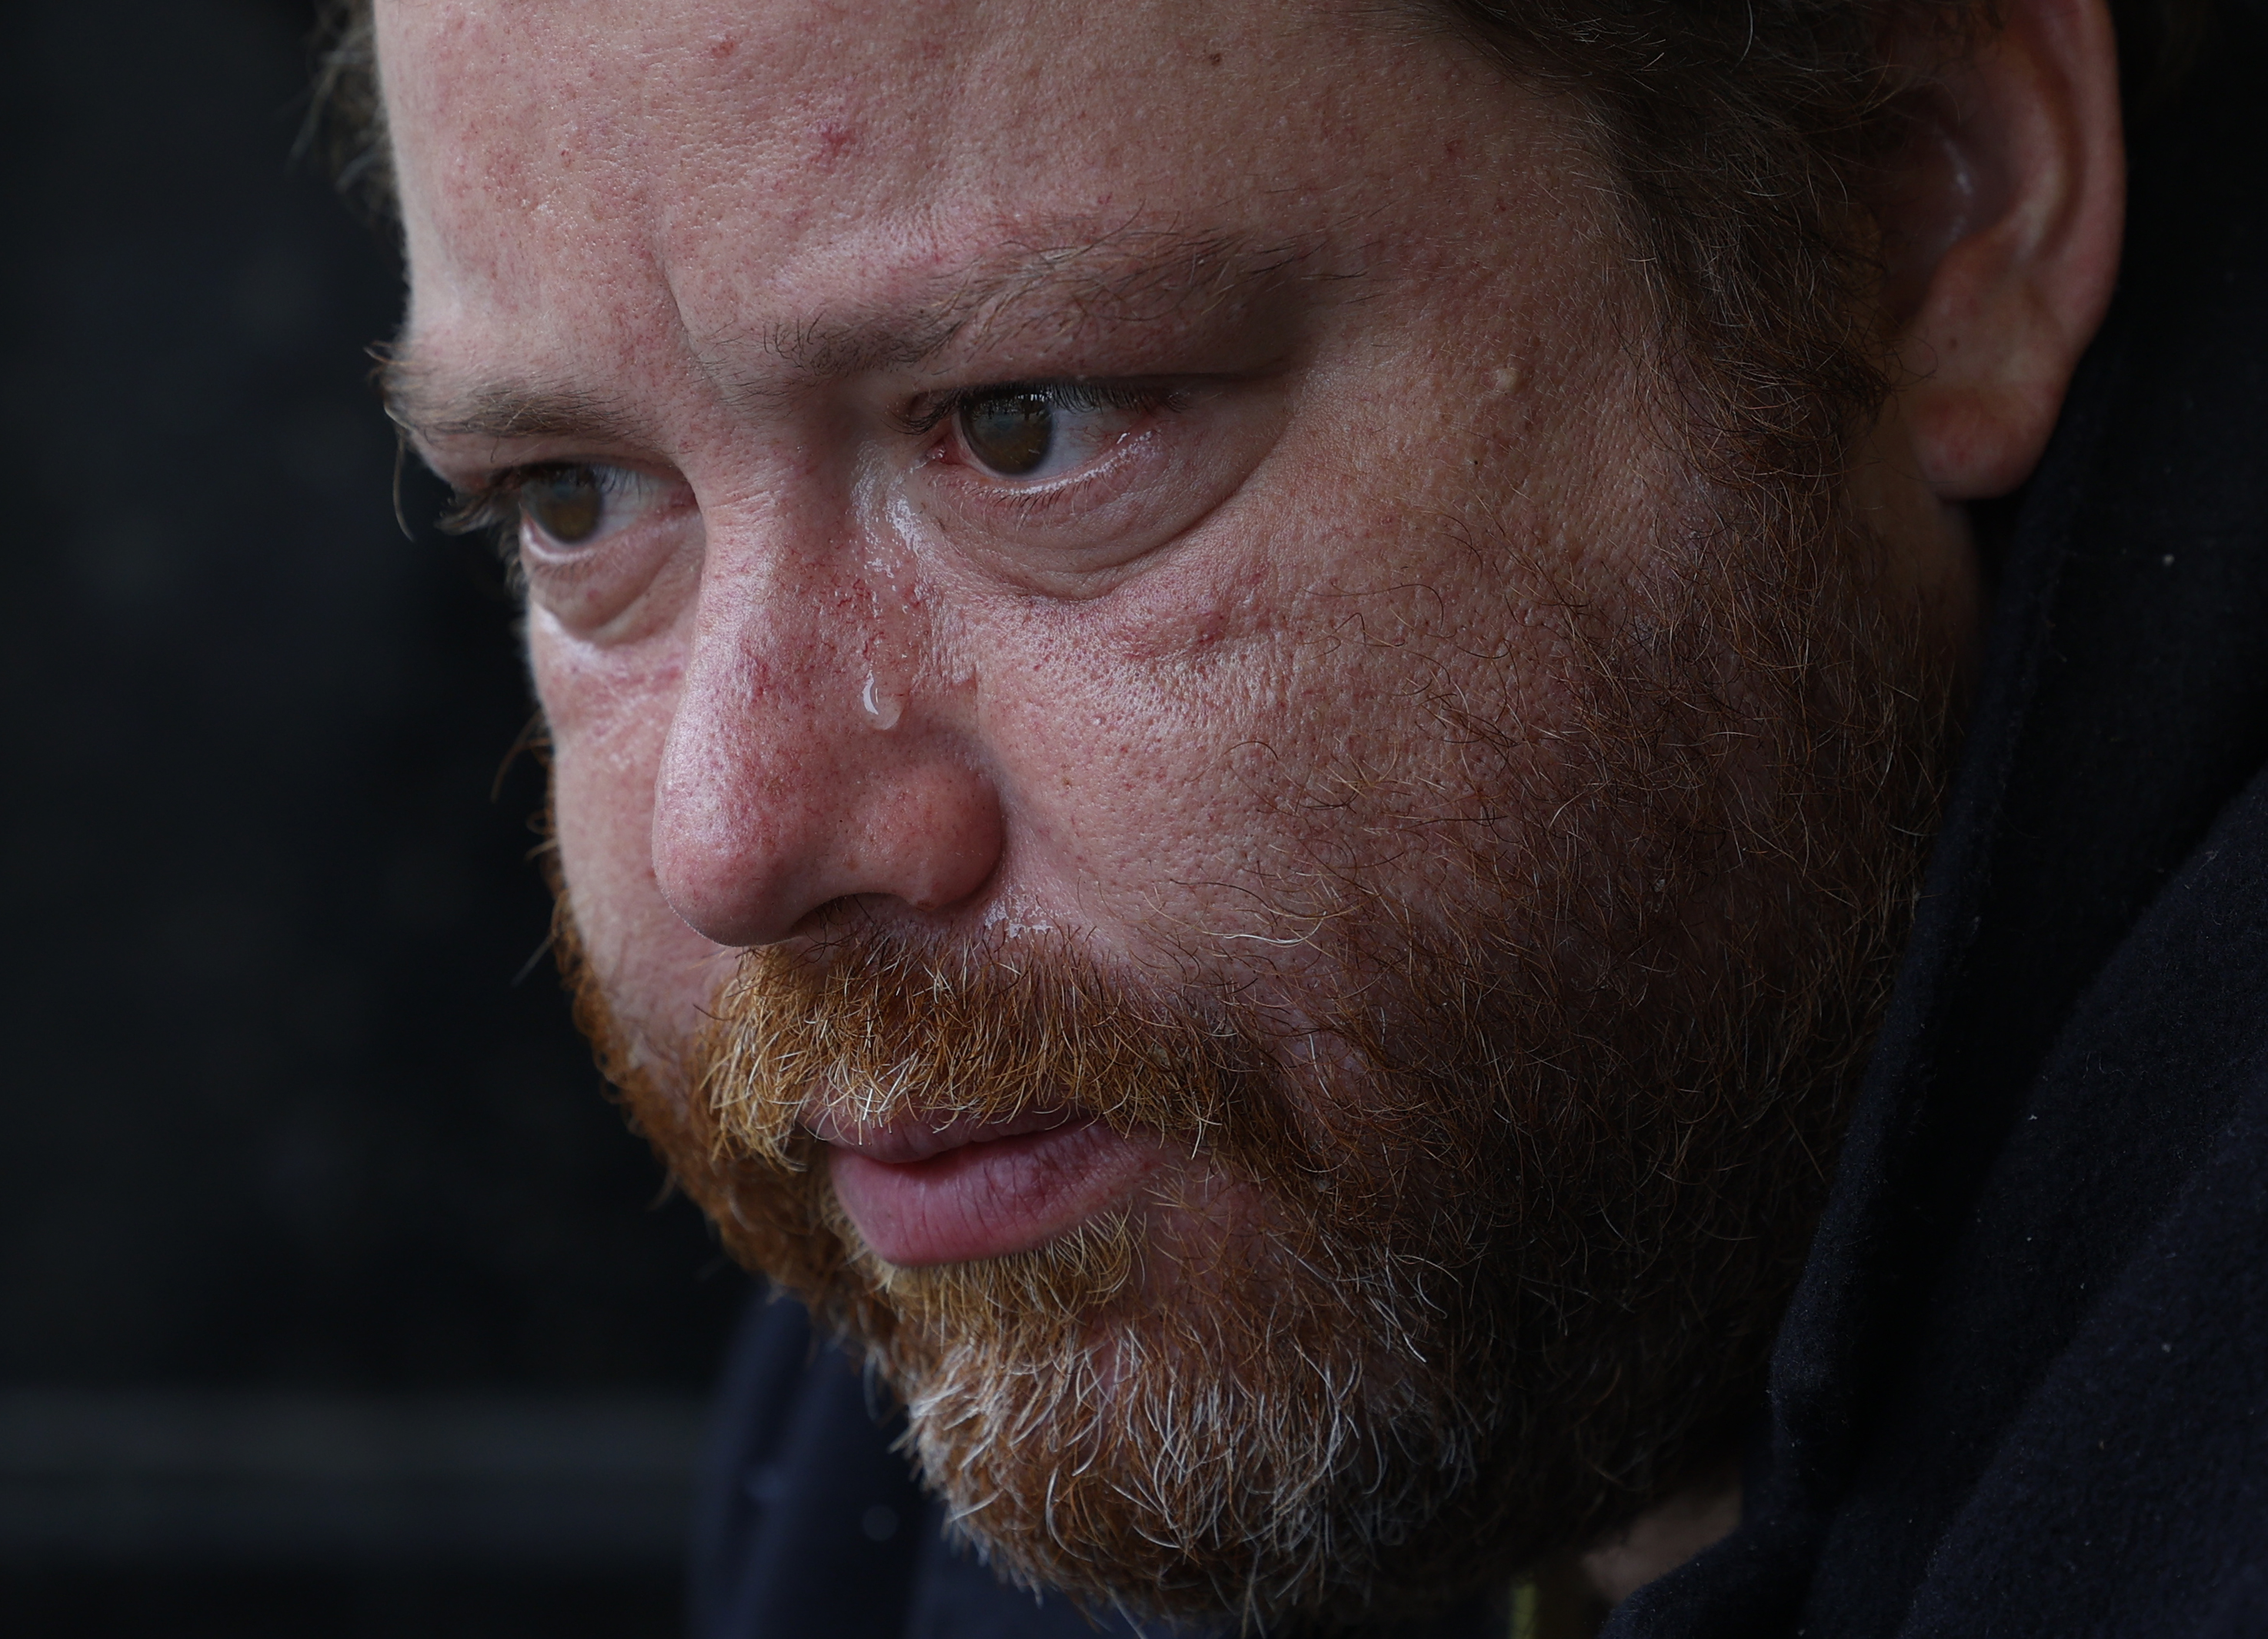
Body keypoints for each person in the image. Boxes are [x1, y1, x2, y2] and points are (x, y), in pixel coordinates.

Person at [342, 0, 2268, 1632]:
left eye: (1035, 423)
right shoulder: (1070, 1261)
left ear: (1920, 223)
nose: (730, 841)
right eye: (571, 499)